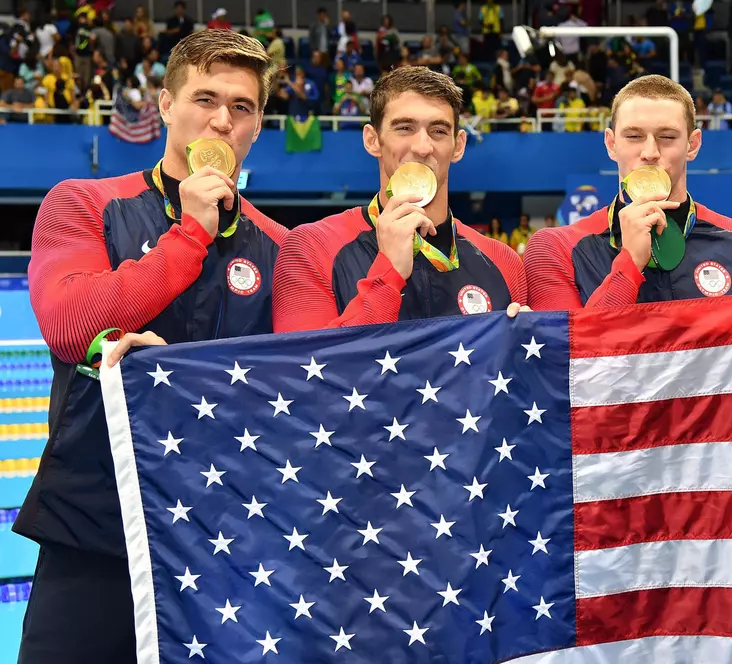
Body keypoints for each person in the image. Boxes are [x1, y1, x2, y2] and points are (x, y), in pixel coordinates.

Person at [15, 29, 286, 662]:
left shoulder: (281, 247)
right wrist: (190, 233)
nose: (221, 120)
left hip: (223, 537)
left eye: (242, 107)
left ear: (257, 126)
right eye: (205, 97)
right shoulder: (83, 203)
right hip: (95, 524)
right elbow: (70, 325)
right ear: (165, 104)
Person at [525, 74, 732, 309]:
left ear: (693, 145)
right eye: (633, 136)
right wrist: (629, 262)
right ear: (611, 144)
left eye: (667, 137)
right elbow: (567, 367)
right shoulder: (555, 249)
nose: (650, 152)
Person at [272, 66, 527, 331]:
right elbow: (305, 366)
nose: (422, 147)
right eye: (405, 128)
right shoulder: (312, 248)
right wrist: (387, 275)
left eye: (438, 131)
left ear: (458, 146)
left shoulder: (504, 262)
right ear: (373, 140)